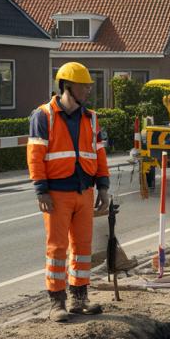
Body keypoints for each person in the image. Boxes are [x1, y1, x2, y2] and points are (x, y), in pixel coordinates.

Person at [28, 62, 110, 323]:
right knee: (57, 248)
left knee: (83, 247)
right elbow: (35, 155)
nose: (88, 90)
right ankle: (57, 302)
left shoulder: (91, 118)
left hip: (84, 191)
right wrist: (41, 190)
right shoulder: (43, 116)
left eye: (88, 86)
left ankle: (79, 298)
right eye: (83, 86)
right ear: (67, 87)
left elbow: (99, 154)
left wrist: (103, 187)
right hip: (56, 194)